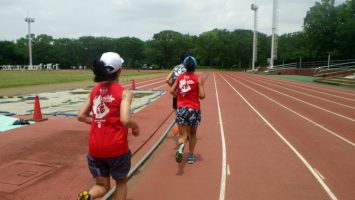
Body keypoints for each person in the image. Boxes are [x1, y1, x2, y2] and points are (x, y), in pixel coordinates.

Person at [77, 52, 140, 200]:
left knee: (102, 186)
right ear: (119, 70)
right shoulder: (124, 93)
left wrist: (99, 121)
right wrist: (135, 126)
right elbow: (125, 120)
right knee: (121, 182)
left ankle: (89, 196)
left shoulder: (94, 91)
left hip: (95, 148)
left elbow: (81, 116)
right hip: (116, 147)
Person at [170, 56, 205, 164]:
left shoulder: (180, 77)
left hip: (181, 108)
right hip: (194, 109)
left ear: (185, 66)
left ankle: (180, 149)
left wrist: (180, 96)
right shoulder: (198, 78)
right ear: (195, 66)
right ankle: (190, 156)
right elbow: (202, 96)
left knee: (182, 135)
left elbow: (172, 91)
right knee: (193, 134)